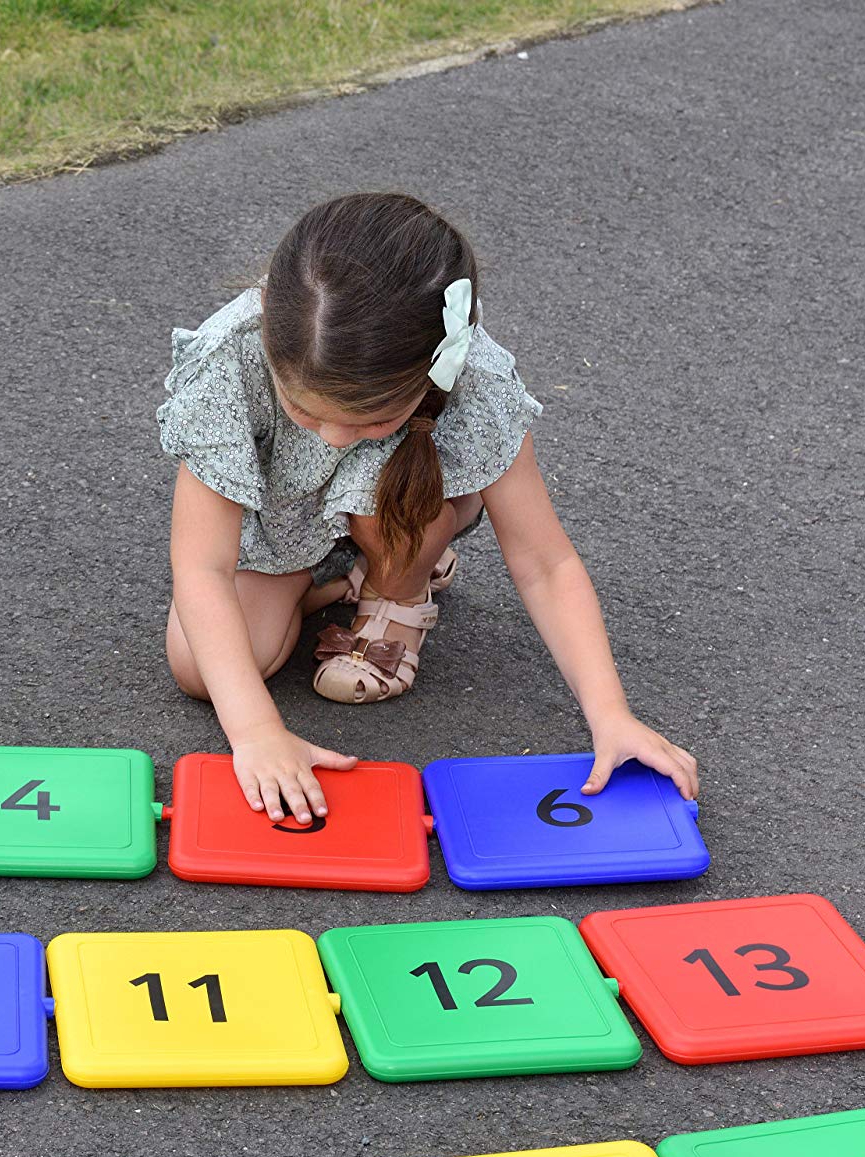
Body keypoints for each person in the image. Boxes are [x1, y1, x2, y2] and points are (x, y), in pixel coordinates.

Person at [161, 192, 696, 824]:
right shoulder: (229, 361)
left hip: (403, 503)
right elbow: (202, 569)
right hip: (284, 524)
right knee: (201, 669)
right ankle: (334, 580)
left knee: (394, 502)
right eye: (305, 412)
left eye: (373, 420)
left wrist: (612, 716)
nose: (330, 437)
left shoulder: (475, 380)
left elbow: (545, 563)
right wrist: (255, 732)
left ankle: (401, 585)